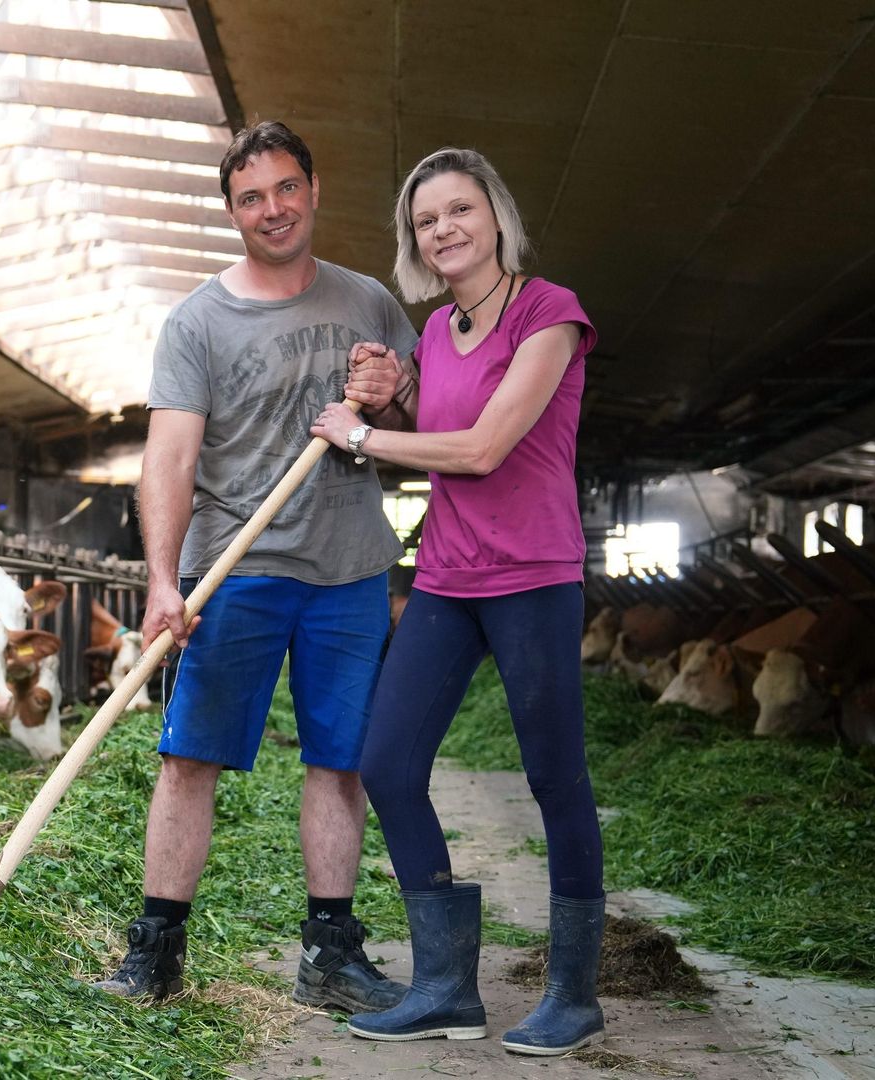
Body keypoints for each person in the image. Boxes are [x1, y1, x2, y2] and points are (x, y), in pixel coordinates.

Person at [96, 121, 416, 1011]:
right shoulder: (199, 321)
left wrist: (393, 395)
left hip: (350, 570)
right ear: (229, 210)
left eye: (285, 189)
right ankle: (155, 949)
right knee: (189, 758)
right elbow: (169, 459)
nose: (271, 209)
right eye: (250, 197)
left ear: (313, 189)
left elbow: (420, 422)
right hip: (233, 570)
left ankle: (330, 953)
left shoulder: (372, 305)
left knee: (339, 764)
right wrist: (164, 580)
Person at [309, 146, 604, 1055]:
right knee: (388, 763)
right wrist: (388, 398)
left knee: (554, 776)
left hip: (534, 575)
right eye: (425, 220)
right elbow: (427, 437)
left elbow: (480, 449)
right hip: (446, 575)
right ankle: (444, 985)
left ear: (496, 214)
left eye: (458, 210)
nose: (443, 229)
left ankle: (573, 993)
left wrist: (360, 436)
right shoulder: (433, 333)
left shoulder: (548, 313)